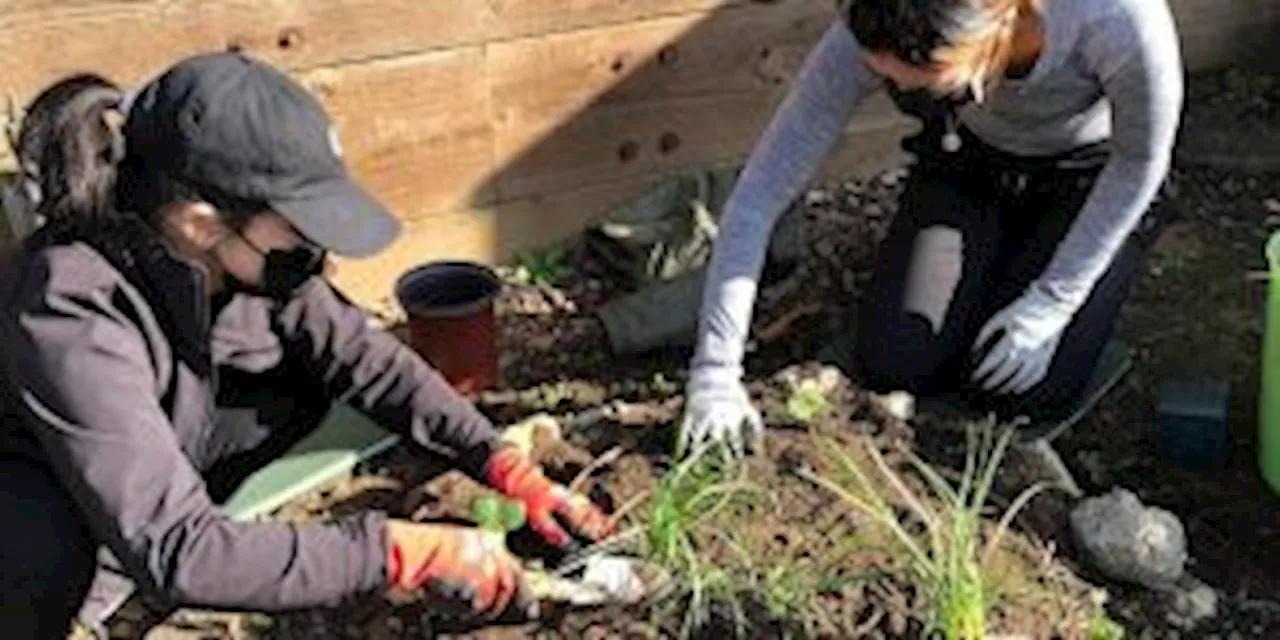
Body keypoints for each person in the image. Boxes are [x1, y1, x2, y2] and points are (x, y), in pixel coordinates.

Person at [0, 52, 615, 639]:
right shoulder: (71, 307)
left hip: (148, 450)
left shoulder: (239, 262)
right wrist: (393, 552)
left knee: (297, 380)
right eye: (300, 229)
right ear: (200, 222)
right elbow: (180, 551)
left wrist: (498, 461)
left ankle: (151, 527)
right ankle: (103, 570)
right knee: (40, 551)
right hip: (35, 496)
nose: (316, 251)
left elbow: (367, 360)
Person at [676, 0, 1184, 459]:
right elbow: (761, 191)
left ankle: (1048, 266)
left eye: (922, 82)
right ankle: (994, 260)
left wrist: (1053, 301)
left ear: (992, 28)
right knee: (896, 362)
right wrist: (716, 372)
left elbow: (1138, 163)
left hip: (1089, 181)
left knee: (1024, 393)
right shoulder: (876, 19)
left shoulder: (1117, 19)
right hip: (970, 167)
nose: (897, 90)